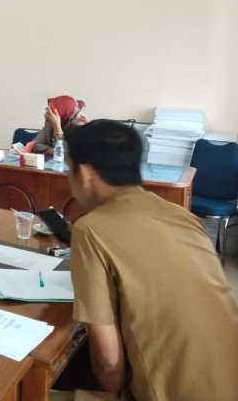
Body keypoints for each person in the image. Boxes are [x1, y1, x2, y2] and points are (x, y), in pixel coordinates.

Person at [56, 120, 238, 400]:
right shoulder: (182, 216)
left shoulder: (90, 230)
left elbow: (109, 365)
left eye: (70, 170)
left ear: (86, 174)